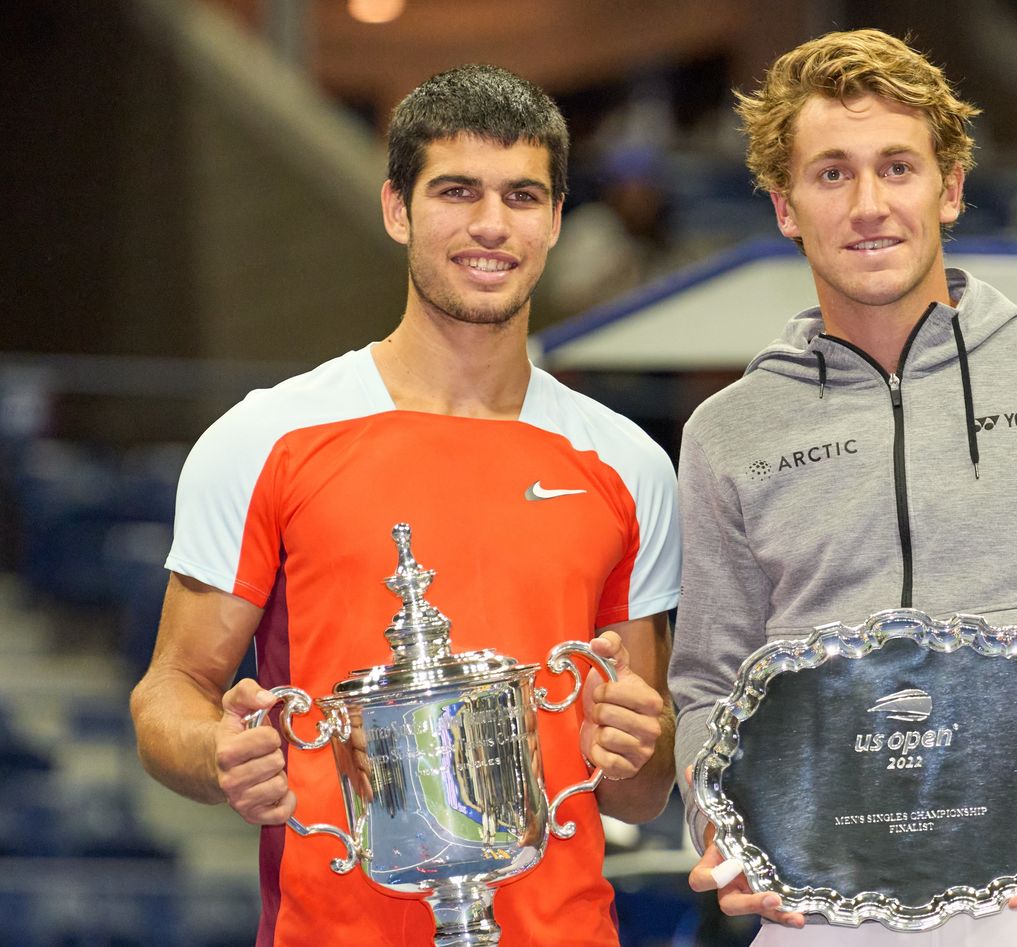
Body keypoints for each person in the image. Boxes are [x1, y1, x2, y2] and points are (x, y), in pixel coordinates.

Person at [668, 29, 1017, 945]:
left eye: (897, 167)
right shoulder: (727, 431)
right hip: (824, 907)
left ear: (952, 188)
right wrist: (721, 821)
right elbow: (708, 684)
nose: (869, 205)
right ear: (784, 206)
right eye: (831, 174)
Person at [129, 64, 680, 947]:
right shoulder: (267, 437)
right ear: (397, 209)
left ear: (555, 220)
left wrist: (642, 746)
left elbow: (639, 784)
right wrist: (219, 753)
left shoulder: (629, 463)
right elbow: (172, 689)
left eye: (523, 196)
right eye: (457, 191)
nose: (491, 225)